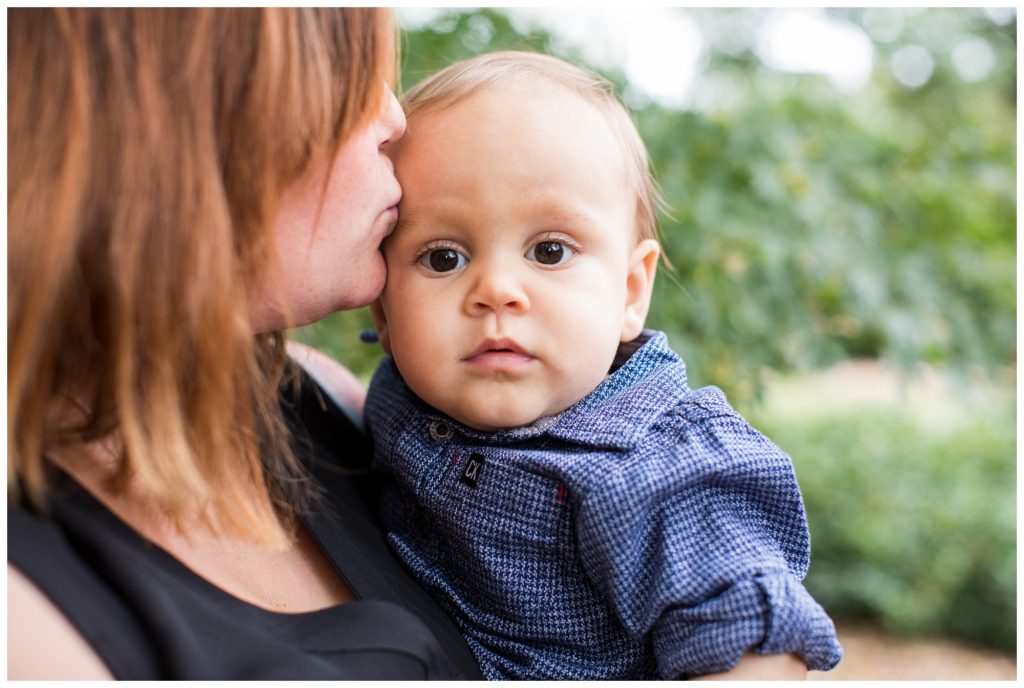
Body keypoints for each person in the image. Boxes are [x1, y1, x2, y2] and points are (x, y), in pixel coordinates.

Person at [7, 8, 483, 680]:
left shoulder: (341, 406)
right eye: (347, 77)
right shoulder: (22, 616)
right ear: (178, 122)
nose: (393, 118)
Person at [365, 51, 844, 680]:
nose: (497, 290)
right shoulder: (395, 397)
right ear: (384, 306)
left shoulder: (655, 467)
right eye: (443, 258)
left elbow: (756, 652)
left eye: (550, 250)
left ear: (629, 292)